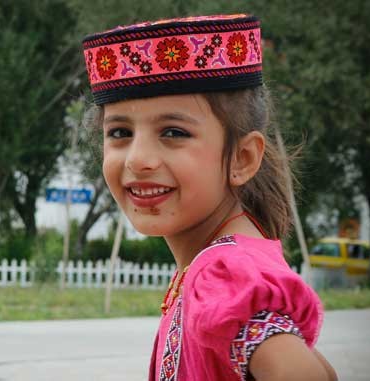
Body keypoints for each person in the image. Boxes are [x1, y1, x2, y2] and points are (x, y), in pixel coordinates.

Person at [81, 14, 338, 381]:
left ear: (242, 158)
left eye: (173, 132)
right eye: (120, 132)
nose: (138, 159)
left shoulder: (226, 272)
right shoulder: (229, 262)